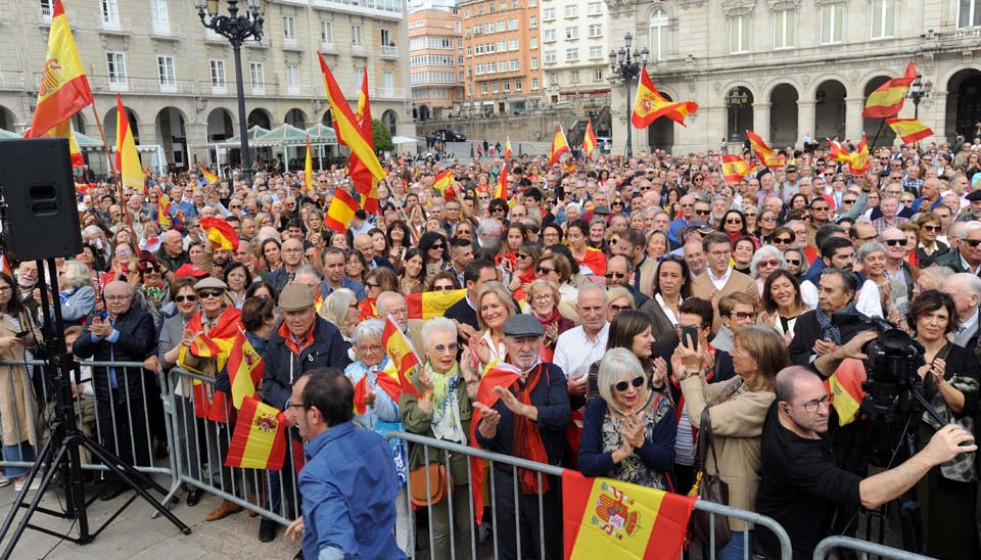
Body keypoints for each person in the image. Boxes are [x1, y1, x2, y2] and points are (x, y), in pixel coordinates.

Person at [754, 366, 977, 560]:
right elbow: (869, 495)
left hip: (813, 541)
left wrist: (846, 350)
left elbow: (815, 370)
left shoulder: (787, 405)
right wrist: (930, 455)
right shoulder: (794, 457)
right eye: (812, 404)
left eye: (824, 398)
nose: (824, 410)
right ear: (785, 408)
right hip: (787, 552)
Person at [673, 325, 788, 560]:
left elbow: (700, 418)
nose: (731, 353)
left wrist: (694, 370)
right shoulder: (742, 382)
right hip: (720, 496)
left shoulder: (763, 400)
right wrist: (690, 371)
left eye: (738, 349)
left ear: (758, 361)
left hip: (736, 507)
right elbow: (704, 396)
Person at [473, 314, 571, 560]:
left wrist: (523, 410)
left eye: (532, 340)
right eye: (519, 341)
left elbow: (562, 415)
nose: (526, 348)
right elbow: (484, 440)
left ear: (541, 341)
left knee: (546, 546)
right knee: (510, 546)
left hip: (544, 478)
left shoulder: (552, 373)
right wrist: (488, 425)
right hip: (506, 479)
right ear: (505, 341)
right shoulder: (494, 377)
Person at [261, 284, 351, 541]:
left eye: (302, 312)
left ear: (314, 310)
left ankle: (324, 538)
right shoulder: (277, 338)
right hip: (292, 428)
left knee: (323, 487)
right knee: (297, 483)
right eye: (290, 314)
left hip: (322, 428)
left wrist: (302, 410)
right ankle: (307, 534)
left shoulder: (331, 335)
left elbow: (337, 381)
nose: (296, 319)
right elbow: (269, 383)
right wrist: (290, 404)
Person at [284, 369, 405, 560]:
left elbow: (336, 550)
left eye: (295, 406)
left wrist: (325, 514)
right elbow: (365, 503)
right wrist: (317, 515)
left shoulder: (317, 474)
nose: (291, 413)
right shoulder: (376, 441)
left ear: (314, 414)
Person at [905, 290, 981, 558]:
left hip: (951, 453)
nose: (934, 322)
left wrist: (940, 382)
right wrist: (912, 382)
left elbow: (964, 404)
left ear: (950, 322)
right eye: (928, 315)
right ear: (916, 317)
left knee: (952, 526)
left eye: (941, 317)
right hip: (908, 446)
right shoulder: (902, 350)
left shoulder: (962, 357)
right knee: (910, 522)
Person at [400, 317, 478, 560]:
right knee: (440, 531)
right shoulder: (415, 379)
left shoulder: (468, 375)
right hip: (431, 464)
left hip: (464, 463)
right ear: (425, 350)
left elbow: (482, 413)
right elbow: (413, 424)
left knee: (467, 528)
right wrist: (429, 393)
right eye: (439, 347)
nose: (447, 353)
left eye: (452, 346)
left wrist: (470, 376)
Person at [72, 280, 156, 501]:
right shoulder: (95, 318)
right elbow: (79, 349)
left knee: (138, 433)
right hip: (105, 389)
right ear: (104, 299)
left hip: (134, 387)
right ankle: (116, 480)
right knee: (111, 437)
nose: (116, 301)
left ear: (130, 298)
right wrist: (94, 336)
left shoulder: (142, 318)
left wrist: (112, 334)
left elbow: (141, 346)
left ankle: (143, 477)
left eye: (121, 297)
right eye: (111, 297)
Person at [344, 319, 410, 554]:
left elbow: (398, 412)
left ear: (384, 346)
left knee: (398, 507)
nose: (369, 353)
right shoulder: (351, 371)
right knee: (368, 507)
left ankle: (404, 553)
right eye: (364, 348)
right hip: (362, 448)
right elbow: (346, 413)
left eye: (375, 347)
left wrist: (375, 401)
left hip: (391, 447)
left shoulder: (395, 369)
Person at [580, 347, 675, 487]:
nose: (631, 390)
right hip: (610, 499)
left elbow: (667, 462)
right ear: (609, 387)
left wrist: (641, 444)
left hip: (653, 500)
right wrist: (621, 454)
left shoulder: (661, 407)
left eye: (637, 382)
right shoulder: (598, 409)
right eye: (622, 385)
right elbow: (586, 463)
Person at [0, 272, 42, 491]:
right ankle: (18, 475)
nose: (1, 293)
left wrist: (31, 339)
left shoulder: (22, 311)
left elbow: (37, 334)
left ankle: (31, 466)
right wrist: (1, 342)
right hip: (5, 376)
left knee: (27, 420)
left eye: (4, 288)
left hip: (27, 370)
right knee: (12, 423)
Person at [690, 232, 759, 332]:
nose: (722, 258)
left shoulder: (748, 283)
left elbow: (753, 321)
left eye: (726, 252)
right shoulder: (693, 285)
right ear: (705, 254)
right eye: (717, 253)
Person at [554, 283, 610, 400]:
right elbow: (557, 381)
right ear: (577, 309)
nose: (593, 315)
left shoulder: (620, 335)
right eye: (586, 309)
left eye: (597, 308)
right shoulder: (565, 339)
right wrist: (567, 387)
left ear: (607, 307)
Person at [526, 279, 574, 362]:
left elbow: (572, 357)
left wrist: (556, 341)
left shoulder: (568, 325)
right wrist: (540, 344)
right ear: (532, 303)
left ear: (554, 300)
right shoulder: (525, 326)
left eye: (547, 296)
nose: (543, 301)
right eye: (538, 297)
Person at [759, 269, 809, 341]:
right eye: (775, 288)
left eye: (786, 286)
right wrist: (767, 331)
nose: (782, 291)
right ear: (770, 295)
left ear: (795, 289)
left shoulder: (810, 315)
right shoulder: (764, 319)